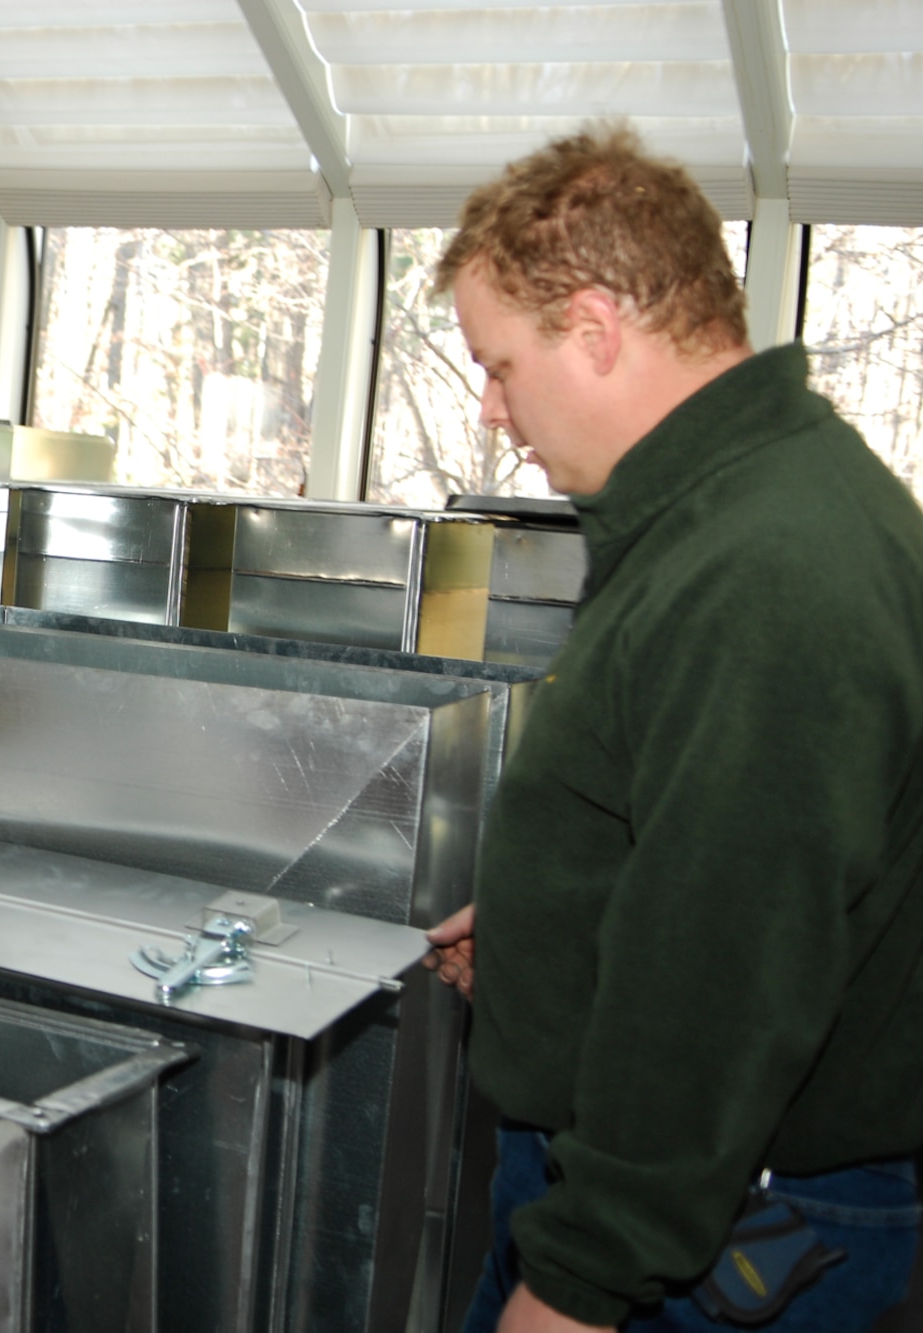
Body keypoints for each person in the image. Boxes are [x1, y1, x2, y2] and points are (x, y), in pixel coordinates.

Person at [423, 124, 923, 1332]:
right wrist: (557, 922)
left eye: (498, 366)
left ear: (593, 328)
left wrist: (581, 1282)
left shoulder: (767, 569)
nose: (491, 413)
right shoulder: (727, 500)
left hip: (708, 1230)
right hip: (660, 1188)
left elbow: (728, 970)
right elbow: (714, 832)